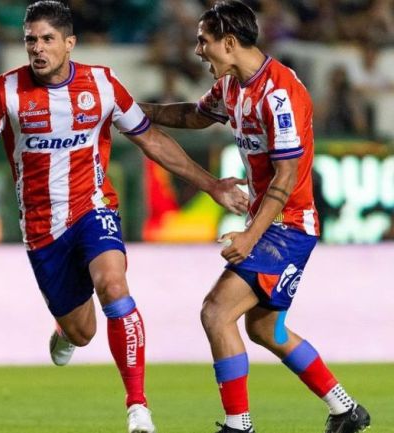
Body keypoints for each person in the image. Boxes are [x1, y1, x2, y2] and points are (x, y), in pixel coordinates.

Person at [0, 2, 249, 432]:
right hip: (41, 227)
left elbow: (150, 139)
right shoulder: (4, 92)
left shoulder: (102, 84)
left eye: (47, 39)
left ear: (69, 43)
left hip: (94, 208)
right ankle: (65, 330)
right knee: (82, 331)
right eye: (30, 40)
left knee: (113, 285)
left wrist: (211, 185)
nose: (37, 49)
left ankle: (138, 409)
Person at [137, 2, 371, 433]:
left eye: (204, 41)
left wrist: (250, 238)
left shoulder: (278, 93)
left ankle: (239, 425)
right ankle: (346, 410)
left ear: (228, 43)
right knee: (265, 330)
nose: (198, 51)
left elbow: (287, 174)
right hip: (275, 224)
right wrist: (138, 113)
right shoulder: (232, 87)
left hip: (288, 225)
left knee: (215, 312)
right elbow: (194, 115)